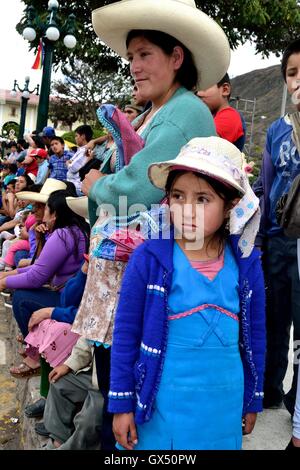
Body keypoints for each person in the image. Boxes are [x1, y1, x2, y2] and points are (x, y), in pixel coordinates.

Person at [108, 136, 265, 450]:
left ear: (231, 204)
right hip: (162, 409)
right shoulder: (149, 259)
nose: (186, 210)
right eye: (178, 196)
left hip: (223, 407)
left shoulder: (246, 265)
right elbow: (125, 334)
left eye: (202, 199)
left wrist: (253, 398)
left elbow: (256, 336)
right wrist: (121, 403)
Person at [254, 39, 300, 414]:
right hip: (277, 238)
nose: (299, 80)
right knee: (274, 318)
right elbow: (265, 185)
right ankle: (269, 389)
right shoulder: (276, 131)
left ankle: (297, 399)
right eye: (292, 73)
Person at [197, 73, 246, 151]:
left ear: (225, 90)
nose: (198, 93)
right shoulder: (212, 116)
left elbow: (203, 147)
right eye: (197, 89)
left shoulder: (230, 116)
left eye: (205, 88)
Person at [66, 125, 93, 195]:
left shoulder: (86, 150)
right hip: (72, 185)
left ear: (83, 136)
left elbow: (73, 168)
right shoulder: (80, 149)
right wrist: (70, 163)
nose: (75, 138)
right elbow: (71, 163)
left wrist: (68, 164)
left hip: (76, 187)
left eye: (76, 136)